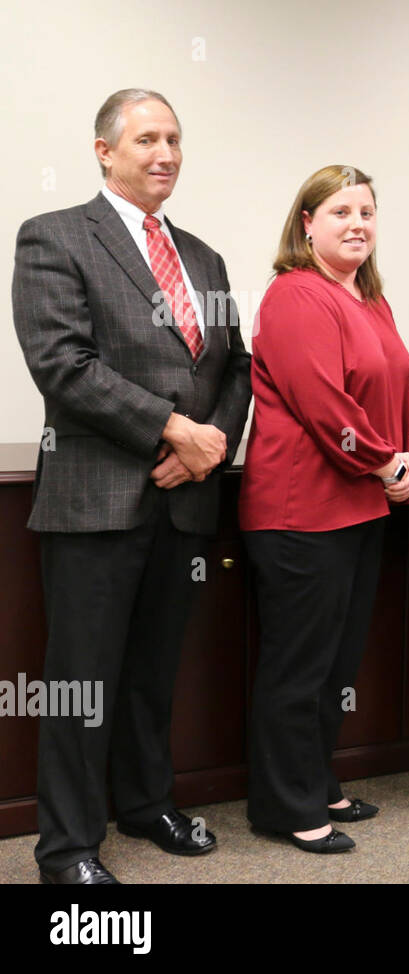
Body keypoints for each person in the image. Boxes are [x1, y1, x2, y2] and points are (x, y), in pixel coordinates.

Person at [12, 89, 252, 884]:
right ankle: (70, 847)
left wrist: (205, 448)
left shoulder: (206, 258)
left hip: (185, 500)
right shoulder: (53, 237)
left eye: (176, 139)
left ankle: (146, 804)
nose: (166, 154)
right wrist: (172, 428)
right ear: (104, 151)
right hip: (96, 500)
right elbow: (63, 364)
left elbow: (238, 368)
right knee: (82, 684)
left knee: (155, 672)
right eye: (148, 138)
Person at [240, 165, 409, 853]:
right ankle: (283, 806)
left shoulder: (372, 301)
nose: (358, 223)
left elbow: (407, 399)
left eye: (368, 212)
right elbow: (326, 407)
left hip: (361, 510)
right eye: (341, 211)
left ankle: (317, 783)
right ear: (307, 224)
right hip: (299, 513)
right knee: (298, 667)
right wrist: (388, 464)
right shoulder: (295, 296)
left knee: (335, 665)